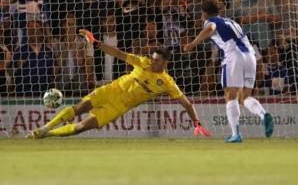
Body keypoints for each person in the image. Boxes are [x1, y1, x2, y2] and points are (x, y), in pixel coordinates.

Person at [27, 29, 211, 139]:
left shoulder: (168, 83)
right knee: (78, 107)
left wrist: (197, 122)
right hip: (110, 90)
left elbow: (186, 103)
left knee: (80, 128)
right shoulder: (142, 62)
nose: (153, 63)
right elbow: (118, 53)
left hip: (119, 107)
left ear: (165, 63)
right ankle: (45, 127)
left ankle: (48, 134)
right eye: (153, 59)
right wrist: (96, 43)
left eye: (157, 61)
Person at [184, 0, 274, 142]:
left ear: (205, 14)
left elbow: (210, 28)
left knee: (230, 95)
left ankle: (235, 134)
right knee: (244, 97)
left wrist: (193, 43)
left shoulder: (211, 21)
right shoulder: (232, 22)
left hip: (233, 57)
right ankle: (263, 114)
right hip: (250, 56)